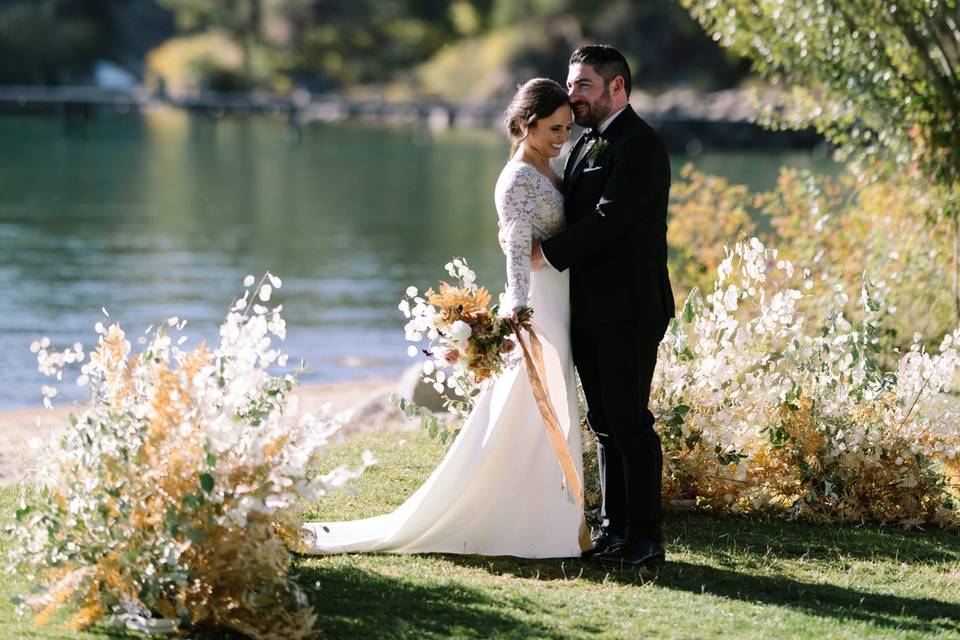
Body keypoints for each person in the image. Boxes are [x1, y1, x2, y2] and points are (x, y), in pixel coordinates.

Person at [302, 78, 590, 558]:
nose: (563, 137)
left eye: (567, 128)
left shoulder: (545, 165)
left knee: (538, 411)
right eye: (554, 128)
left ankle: (547, 514)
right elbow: (516, 248)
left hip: (558, 298)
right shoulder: (518, 178)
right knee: (536, 408)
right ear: (525, 124)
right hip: (539, 309)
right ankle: (532, 519)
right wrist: (517, 312)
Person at [532, 45, 675, 568]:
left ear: (618, 87)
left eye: (584, 85)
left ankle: (645, 539)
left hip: (631, 308)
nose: (573, 95)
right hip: (590, 308)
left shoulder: (639, 144)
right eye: (572, 85)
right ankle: (614, 532)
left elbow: (610, 218)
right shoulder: (582, 143)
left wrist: (543, 256)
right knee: (604, 422)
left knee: (630, 421)